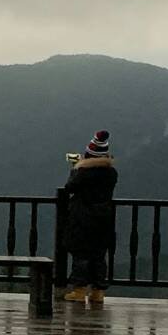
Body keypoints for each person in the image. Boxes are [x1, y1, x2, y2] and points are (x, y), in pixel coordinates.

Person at [62, 130, 118, 306]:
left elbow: (69, 187)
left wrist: (76, 168)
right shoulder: (111, 173)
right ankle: (98, 292)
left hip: (83, 218)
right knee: (99, 254)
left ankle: (79, 290)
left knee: (81, 254)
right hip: (104, 218)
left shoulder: (84, 173)